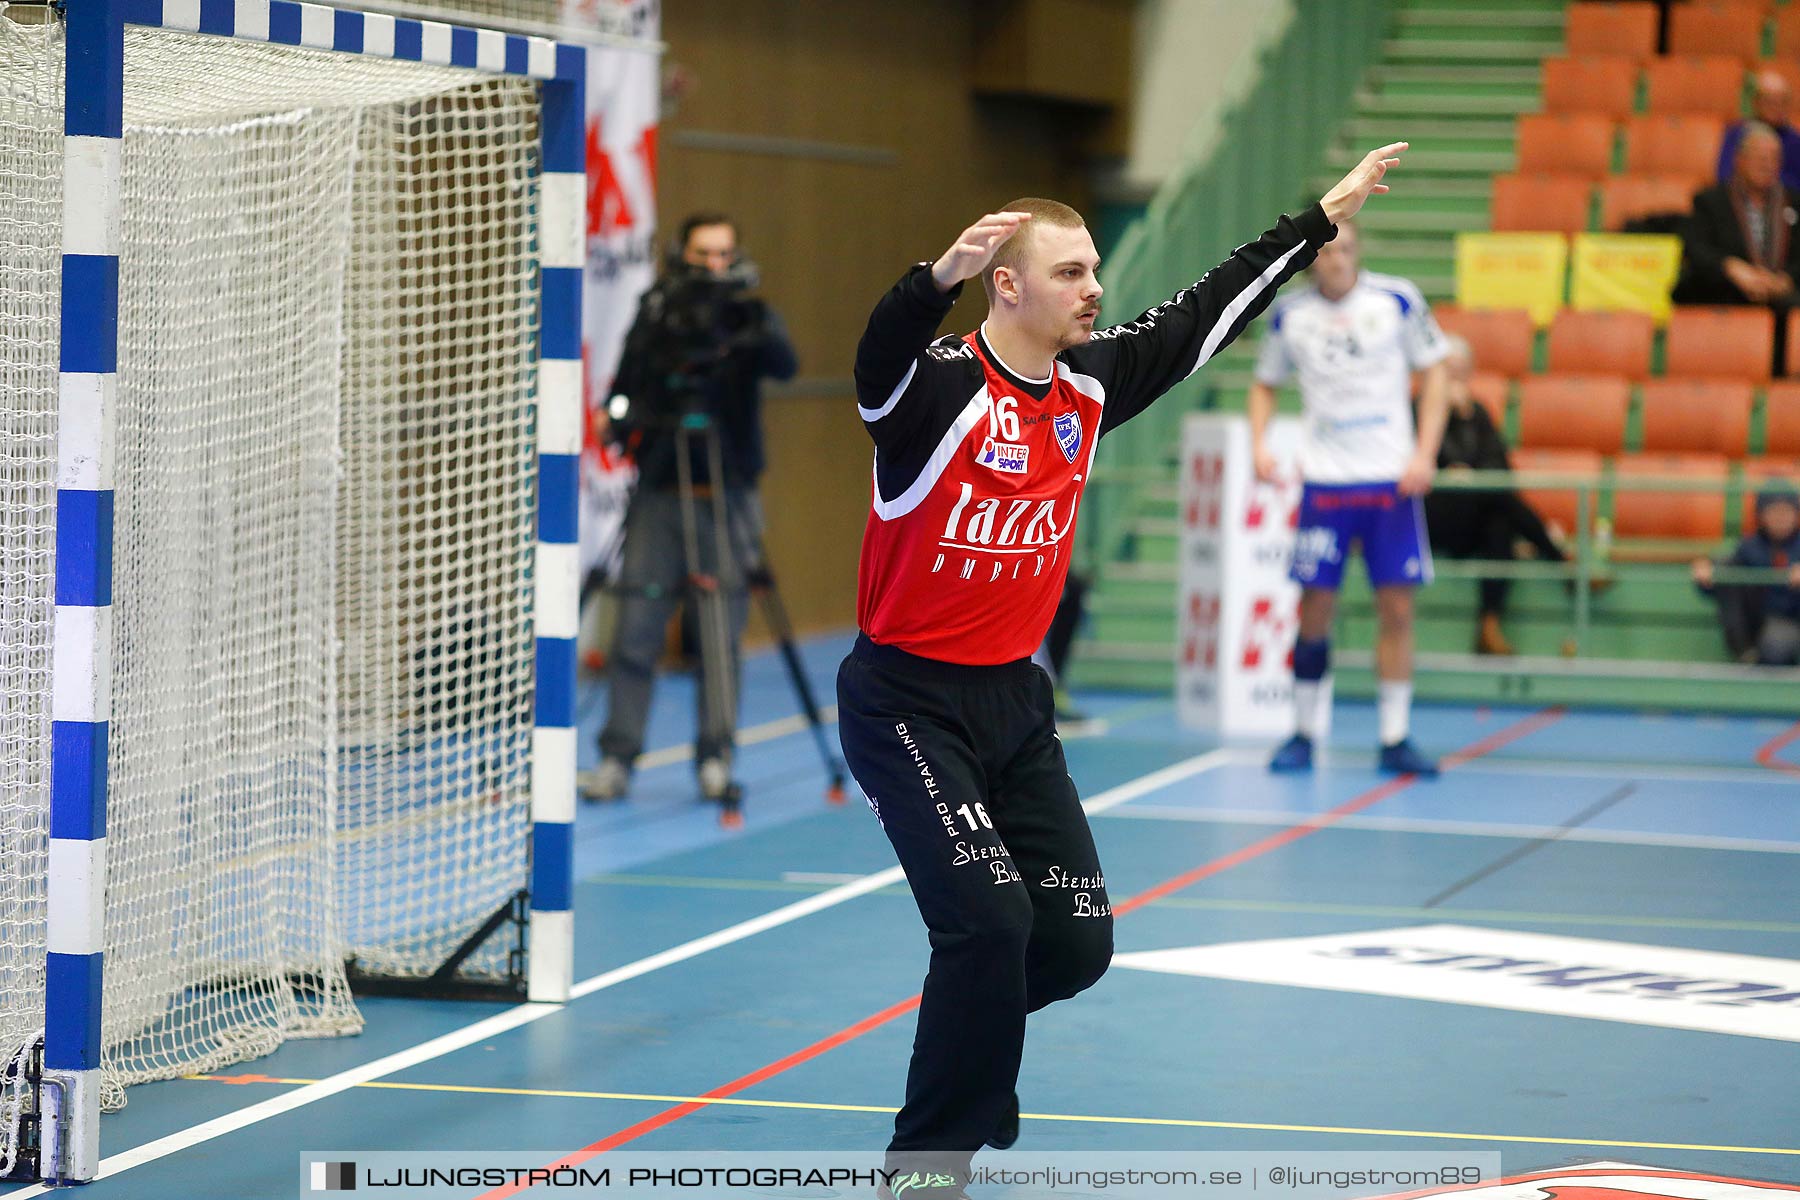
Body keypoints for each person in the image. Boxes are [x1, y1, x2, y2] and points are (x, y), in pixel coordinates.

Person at [839, 143, 1410, 1200]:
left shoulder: (1088, 390)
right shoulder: (935, 393)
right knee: (990, 923)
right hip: (908, 702)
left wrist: (1317, 220)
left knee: (1074, 942)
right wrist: (928, 285)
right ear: (1005, 285)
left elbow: (1207, 312)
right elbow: (876, 362)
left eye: (1096, 269)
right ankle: (925, 1168)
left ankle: (974, 1067)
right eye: (1071, 272)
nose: (1096, 287)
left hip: (1014, 700)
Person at [578, 213, 798, 803]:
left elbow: (786, 365)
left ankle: (716, 759)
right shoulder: (659, 313)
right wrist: (620, 418)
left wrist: (746, 324)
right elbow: (624, 386)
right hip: (659, 492)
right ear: (682, 255)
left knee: (719, 633)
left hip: (726, 494)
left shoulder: (747, 312)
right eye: (703, 254)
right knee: (635, 630)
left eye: (724, 254)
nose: (713, 266)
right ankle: (616, 759)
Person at [1249, 217, 1449, 777]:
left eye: (1346, 250)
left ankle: (1395, 736)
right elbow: (1264, 384)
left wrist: (1425, 452)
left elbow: (1435, 372)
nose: (1337, 260)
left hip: (1390, 481)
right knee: (1314, 609)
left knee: (1398, 609)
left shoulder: (1397, 301)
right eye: (1327, 253)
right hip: (1326, 484)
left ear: (1359, 251)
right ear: (1312, 259)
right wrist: (1260, 444)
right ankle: (1304, 732)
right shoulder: (1291, 317)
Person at [1422, 335, 1571, 656]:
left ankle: (1488, 628)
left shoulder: (1476, 413)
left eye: (1461, 372)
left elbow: (1501, 467)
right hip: (1431, 516)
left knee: (1499, 522)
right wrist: (1444, 417)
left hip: (1475, 513)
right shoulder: (1415, 410)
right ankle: (1558, 555)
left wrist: (1464, 422)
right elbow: (1419, 463)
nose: (1455, 380)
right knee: (1497, 500)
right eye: (1448, 371)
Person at [1675, 124, 1800, 308]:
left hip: (1783, 300)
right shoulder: (1710, 201)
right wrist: (1732, 268)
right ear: (1739, 160)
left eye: (1773, 159)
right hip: (1725, 294)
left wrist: (1785, 280)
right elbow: (1695, 249)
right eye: (1760, 157)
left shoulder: (1794, 201)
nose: (1767, 165)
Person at [1692, 481, 1800, 666]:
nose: (1781, 517)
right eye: (1774, 511)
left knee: (1776, 646)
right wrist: (1706, 573)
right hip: (1755, 622)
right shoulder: (1749, 546)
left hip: (1790, 618)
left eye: (1786, 511)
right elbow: (1722, 585)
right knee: (1726, 567)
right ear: (1761, 516)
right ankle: (1744, 651)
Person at [1716, 71, 1800, 196]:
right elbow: (1724, 175)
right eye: (1770, 101)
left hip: (1781, 203)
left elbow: (1796, 182)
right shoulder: (1736, 133)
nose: (1776, 107)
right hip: (1739, 202)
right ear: (1756, 102)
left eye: (1782, 102)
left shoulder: (1795, 141)